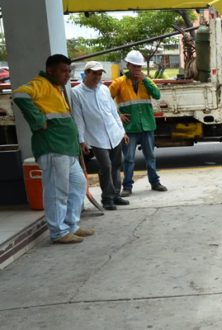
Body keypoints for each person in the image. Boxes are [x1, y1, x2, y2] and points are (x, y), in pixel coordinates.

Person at [12, 54, 95, 244]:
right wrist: (37, 120)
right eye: (63, 71)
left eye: (69, 71)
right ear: (51, 70)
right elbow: (19, 94)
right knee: (57, 192)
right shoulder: (40, 83)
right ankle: (58, 232)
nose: (67, 75)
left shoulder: (55, 87)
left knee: (78, 185)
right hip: (53, 148)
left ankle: (71, 225)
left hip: (66, 149)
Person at [71, 61, 130, 210]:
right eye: (94, 73)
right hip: (96, 137)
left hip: (114, 134)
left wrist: (122, 131)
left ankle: (116, 195)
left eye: (99, 74)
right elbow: (78, 118)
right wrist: (81, 140)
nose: (97, 76)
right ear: (87, 73)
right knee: (106, 166)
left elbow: (113, 111)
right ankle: (107, 198)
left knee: (116, 165)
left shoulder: (104, 89)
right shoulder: (77, 93)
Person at [110, 50, 167, 197]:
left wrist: (145, 80)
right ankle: (127, 186)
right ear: (128, 65)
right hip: (130, 128)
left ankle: (155, 182)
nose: (137, 69)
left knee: (150, 156)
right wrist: (118, 115)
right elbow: (106, 101)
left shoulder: (145, 81)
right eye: (134, 66)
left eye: (139, 67)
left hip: (147, 125)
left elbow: (157, 94)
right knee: (128, 159)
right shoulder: (119, 83)